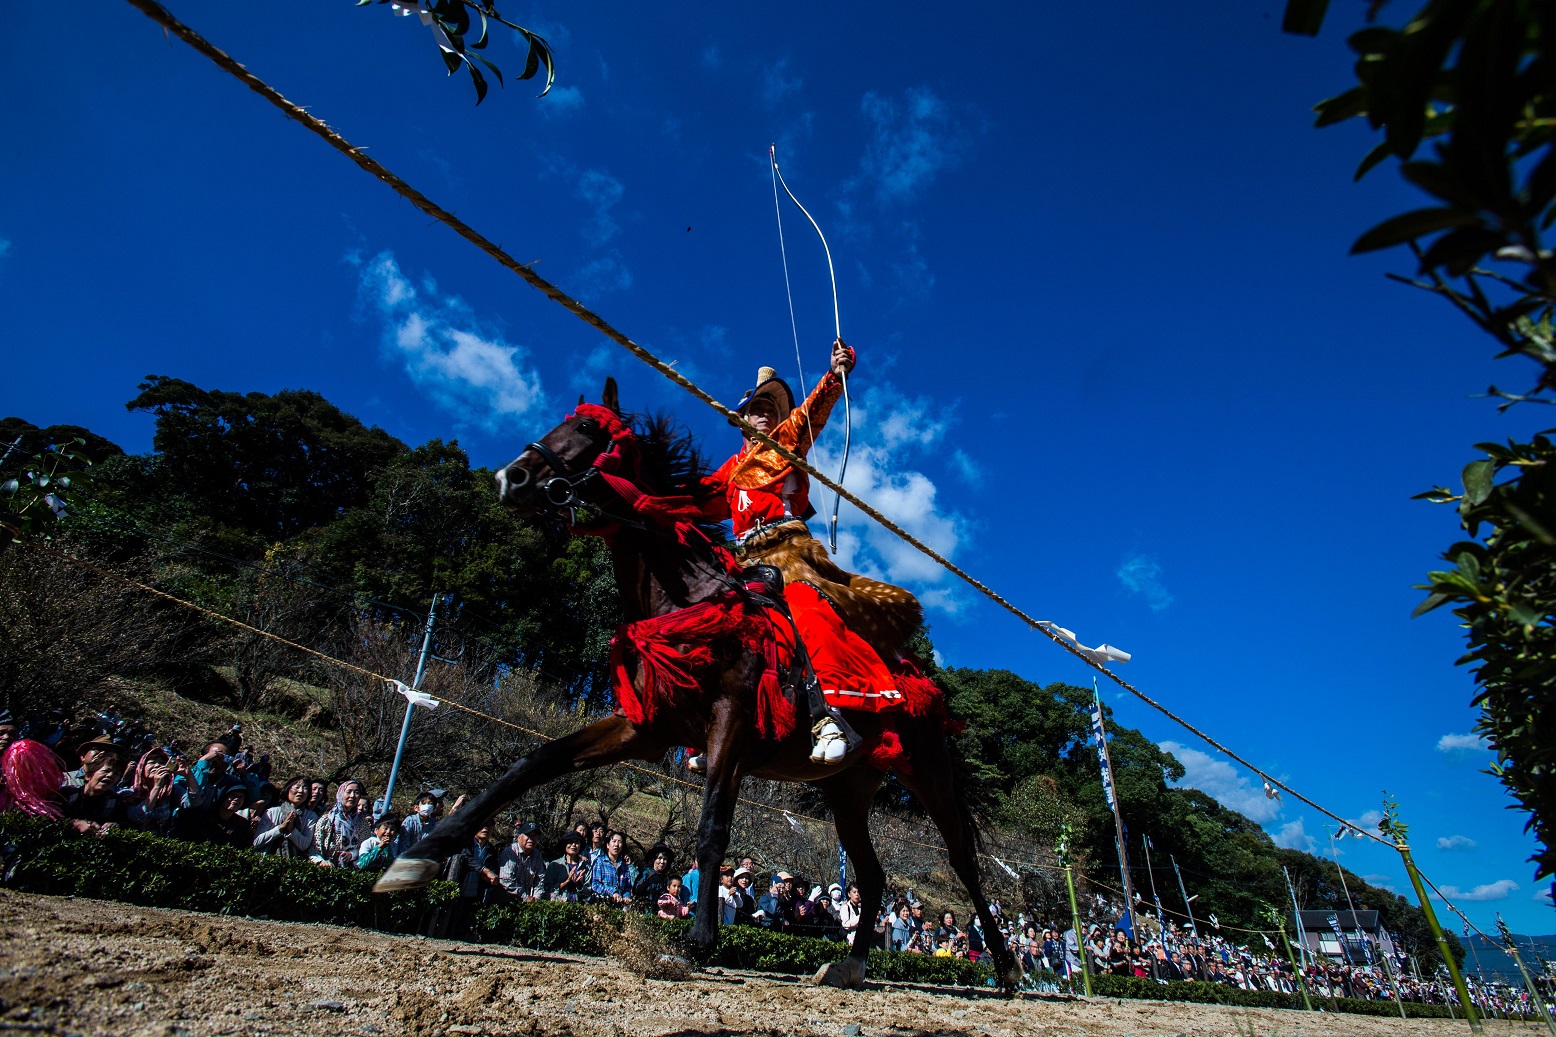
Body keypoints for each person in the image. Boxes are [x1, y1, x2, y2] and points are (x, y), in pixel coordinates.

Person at [694, 340, 926, 766]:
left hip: (789, 549)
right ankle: (706, 728)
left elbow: (811, 413)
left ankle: (829, 717)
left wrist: (835, 374)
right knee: (709, 616)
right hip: (745, 560)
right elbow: (692, 500)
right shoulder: (730, 470)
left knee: (805, 604)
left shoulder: (786, 439)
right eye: (758, 407)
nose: (767, 413)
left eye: (772, 407)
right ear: (742, 419)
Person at [171, 781, 255, 849]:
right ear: (224, 796)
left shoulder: (243, 825)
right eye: (233, 795)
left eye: (241, 797)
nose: (236, 799)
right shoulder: (202, 817)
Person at [252, 776, 321, 860]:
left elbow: (304, 845)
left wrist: (291, 829)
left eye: (305, 788)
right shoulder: (272, 812)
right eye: (297, 787)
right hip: (268, 862)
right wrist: (280, 828)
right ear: (288, 789)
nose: (301, 791)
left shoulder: (310, 816)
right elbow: (257, 841)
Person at [313, 779, 368, 869]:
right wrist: (321, 862)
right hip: (326, 869)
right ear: (340, 793)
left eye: (356, 792)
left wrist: (352, 854)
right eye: (349, 792)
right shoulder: (327, 819)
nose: (352, 796)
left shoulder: (362, 822)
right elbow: (315, 848)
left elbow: (366, 847)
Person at [498, 821, 548, 900]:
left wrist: (536, 897)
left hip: (528, 901)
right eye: (528, 835)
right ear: (519, 837)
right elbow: (506, 881)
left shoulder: (537, 854)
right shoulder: (509, 853)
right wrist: (525, 897)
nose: (531, 839)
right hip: (508, 900)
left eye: (535, 836)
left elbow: (541, 878)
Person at [545, 830, 592, 902]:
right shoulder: (555, 865)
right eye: (570, 842)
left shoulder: (586, 867)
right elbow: (547, 889)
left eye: (576, 842)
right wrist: (566, 882)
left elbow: (588, 892)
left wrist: (578, 884)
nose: (573, 845)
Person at [590, 830, 633, 906]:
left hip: (620, 907)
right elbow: (595, 884)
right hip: (603, 904)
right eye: (614, 841)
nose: (616, 845)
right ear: (607, 845)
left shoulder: (624, 866)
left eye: (619, 842)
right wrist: (613, 892)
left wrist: (626, 896)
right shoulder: (600, 862)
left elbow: (628, 887)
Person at [633, 844, 676, 910]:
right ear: (654, 859)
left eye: (665, 859)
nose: (662, 862)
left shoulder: (665, 877)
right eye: (659, 858)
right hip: (643, 910)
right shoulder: (646, 872)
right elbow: (636, 890)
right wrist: (648, 881)